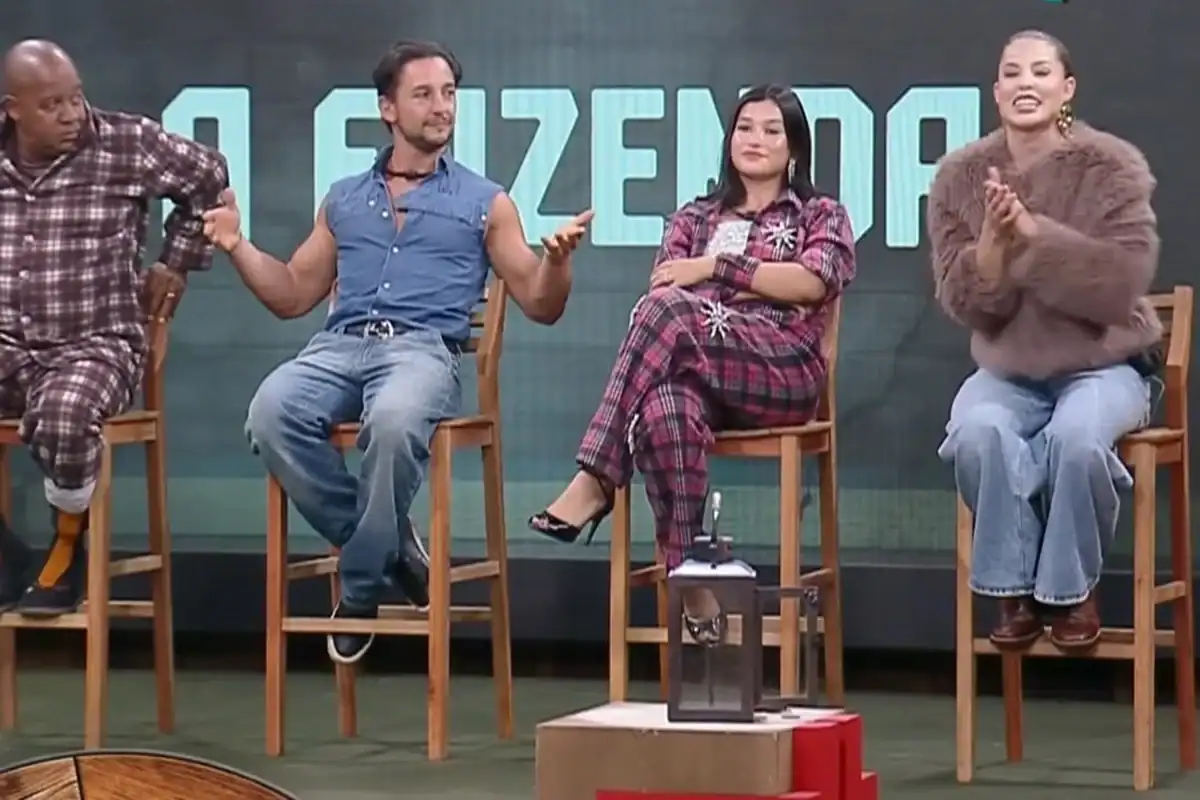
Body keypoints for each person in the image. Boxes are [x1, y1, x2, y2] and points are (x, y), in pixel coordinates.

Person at [202, 40, 590, 666]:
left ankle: (360, 587)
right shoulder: (344, 198)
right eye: (424, 95)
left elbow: (540, 303)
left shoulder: (485, 202)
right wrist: (236, 245)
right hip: (337, 347)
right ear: (388, 108)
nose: (442, 107)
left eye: (449, 94)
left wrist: (558, 264)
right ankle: (389, 545)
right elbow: (292, 293)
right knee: (270, 412)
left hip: (421, 352)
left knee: (391, 421)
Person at [528, 84, 856, 639]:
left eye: (771, 130)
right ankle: (692, 580)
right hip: (702, 377)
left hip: (782, 370)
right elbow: (664, 292)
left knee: (671, 314)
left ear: (795, 147)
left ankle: (598, 475)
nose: (755, 139)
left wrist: (715, 270)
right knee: (664, 410)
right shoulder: (692, 219)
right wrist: (750, 286)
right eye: (744, 127)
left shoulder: (819, 214)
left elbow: (811, 282)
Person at [930, 30, 1160, 653]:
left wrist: (1035, 239)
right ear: (996, 90)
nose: (1025, 83)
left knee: (1076, 437)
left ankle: (1069, 590)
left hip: (1104, 365)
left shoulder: (1110, 166)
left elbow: (1120, 284)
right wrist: (991, 250)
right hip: (1009, 371)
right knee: (976, 431)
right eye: (1012, 73)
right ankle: (1011, 589)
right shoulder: (959, 177)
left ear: (1067, 88)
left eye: (1039, 71)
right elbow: (964, 305)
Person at [0, 40, 228, 617]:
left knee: (66, 413)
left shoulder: (126, 143)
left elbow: (210, 178)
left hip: (94, 345)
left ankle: (66, 547)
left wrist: (175, 263)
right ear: (13, 110)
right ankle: (6, 558)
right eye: (52, 105)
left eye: (76, 98)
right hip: (6, 344)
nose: (72, 115)